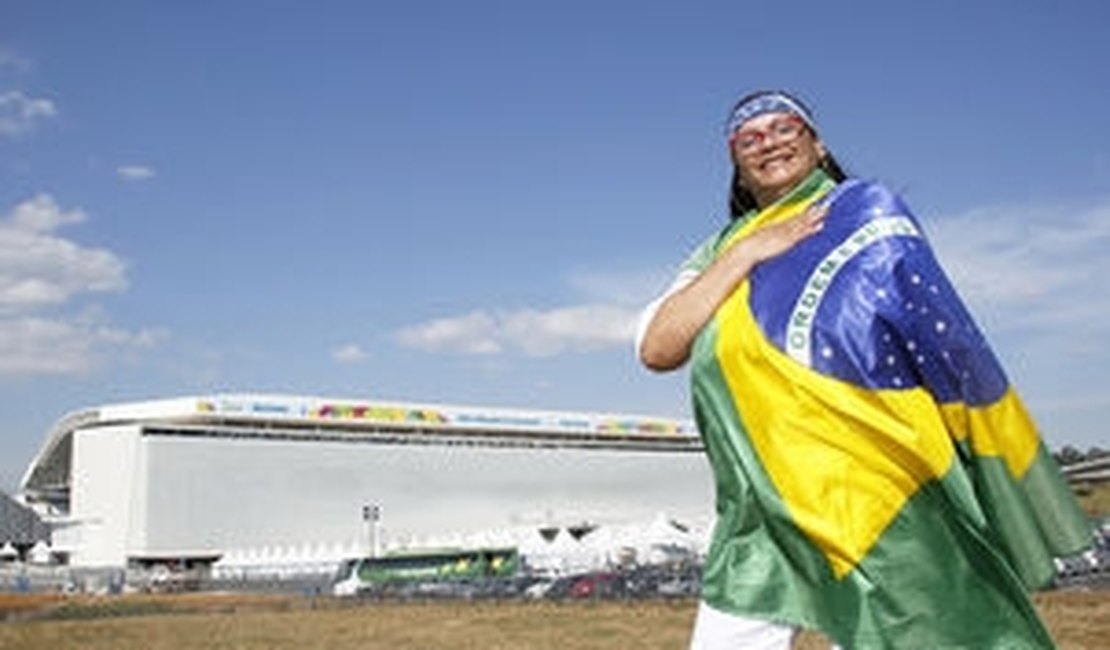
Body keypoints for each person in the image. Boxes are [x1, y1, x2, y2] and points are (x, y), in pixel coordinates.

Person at [636, 90, 1093, 649]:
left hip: (870, 486)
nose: (770, 142)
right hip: (759, 503)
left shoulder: (866, 211)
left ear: (817, 143)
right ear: (736, 163)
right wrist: (748, 253)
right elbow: (660, 348)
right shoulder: (718, 250)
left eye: (786, 128)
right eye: (750, 139)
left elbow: (940, 332)